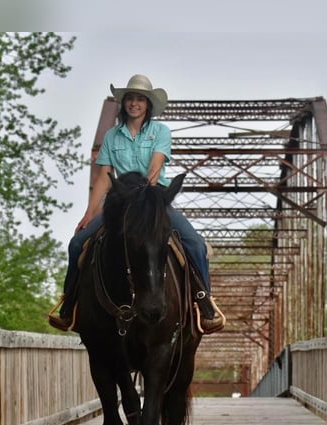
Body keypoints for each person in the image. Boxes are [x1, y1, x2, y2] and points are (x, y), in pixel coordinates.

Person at [48, 74, 225, 334]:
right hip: (120, 204)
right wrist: (89, 212)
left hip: (152, 200)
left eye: (140, 99)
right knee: (77, 244)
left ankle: (205, 302)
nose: (134, 103)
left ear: (148, 104)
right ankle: (69, 305)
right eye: (130, 98)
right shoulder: (112, 136)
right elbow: (103, 177)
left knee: (195, 244)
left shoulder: (160, 132)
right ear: (124, 103)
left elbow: (155, 166)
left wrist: (144, 193)